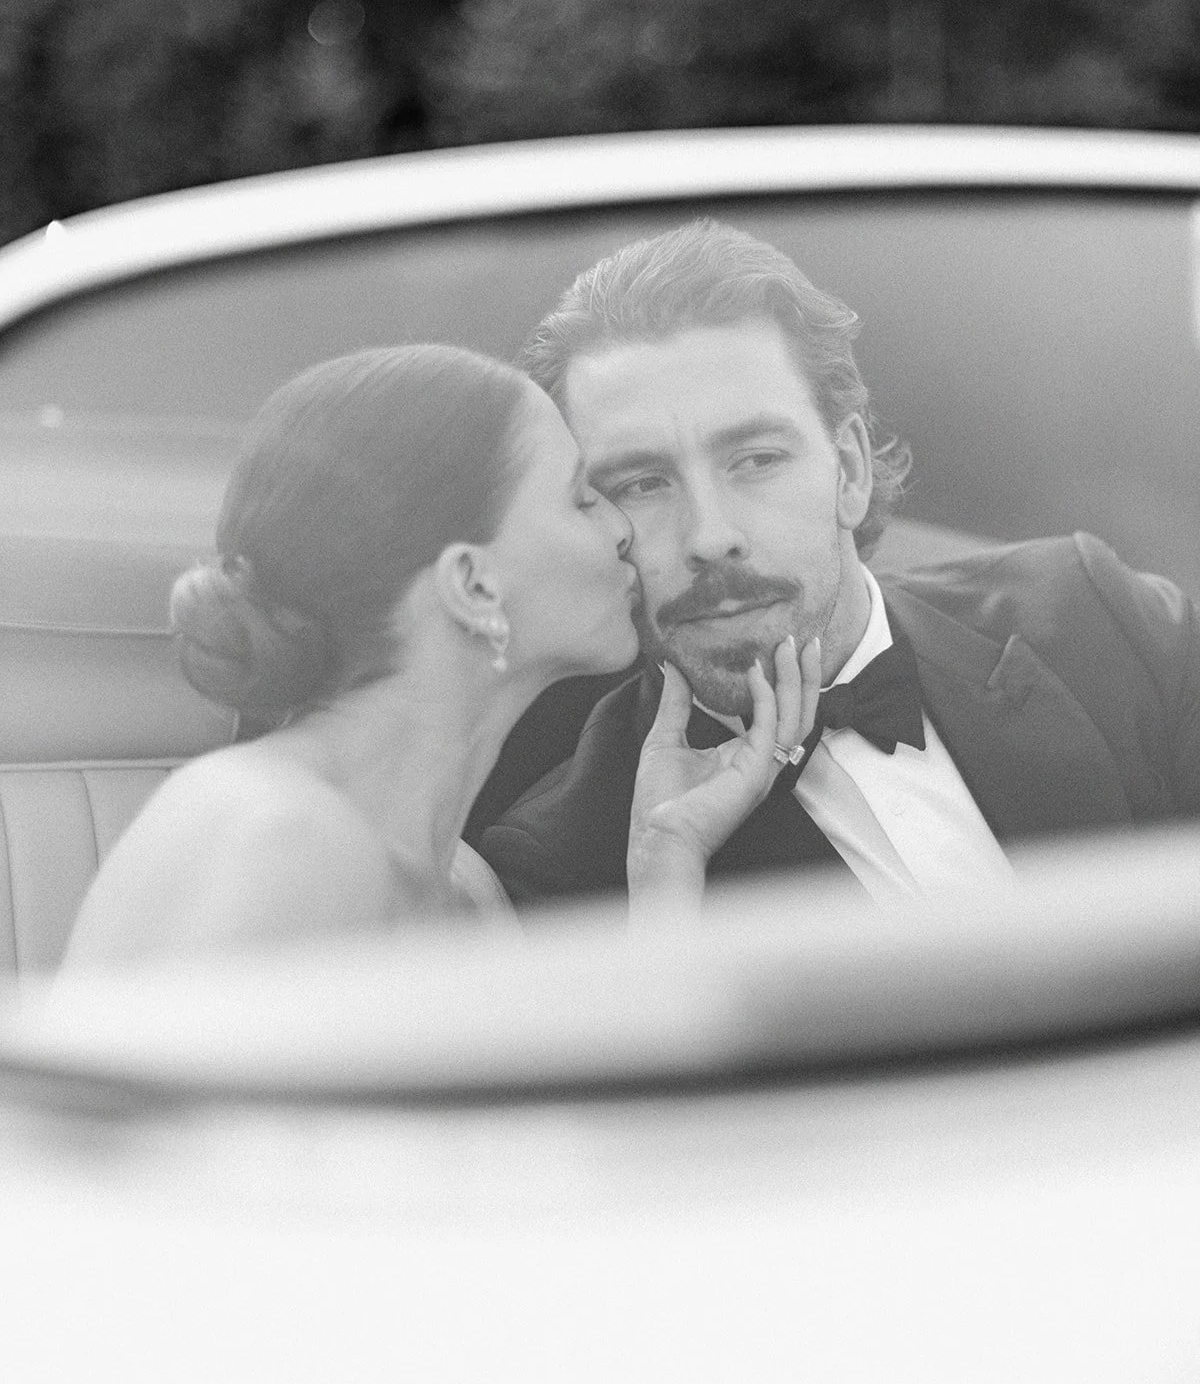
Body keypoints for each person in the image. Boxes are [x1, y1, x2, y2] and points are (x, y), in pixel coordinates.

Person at [477, 220, 1200, 909]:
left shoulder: (1099, 618)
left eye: (756, 460)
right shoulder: (558, 867)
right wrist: (667, 881)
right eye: (641, 484)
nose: (710, 536)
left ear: (848, 470)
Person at [64, 343, 812, 967]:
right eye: (582, 499)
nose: (623, 529)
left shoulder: (467, 892)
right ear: (472, 584)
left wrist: (668, 856)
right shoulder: (269, 836)